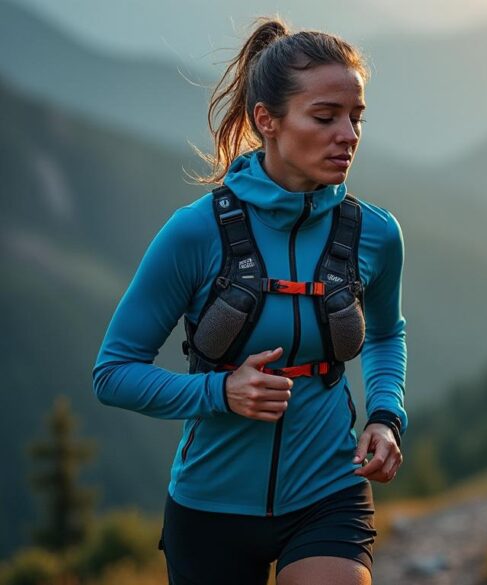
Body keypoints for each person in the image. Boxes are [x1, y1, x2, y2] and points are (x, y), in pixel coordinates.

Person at [92, 16, 407, 585]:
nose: (349, 136)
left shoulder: (375, 234)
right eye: (326, 117)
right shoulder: (196, 232)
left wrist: (386, 418)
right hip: (210, 507)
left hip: (328, 491)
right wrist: (220, 390)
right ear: (267, 120)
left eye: (356, 118)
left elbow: (385, 334)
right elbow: (112, 372)